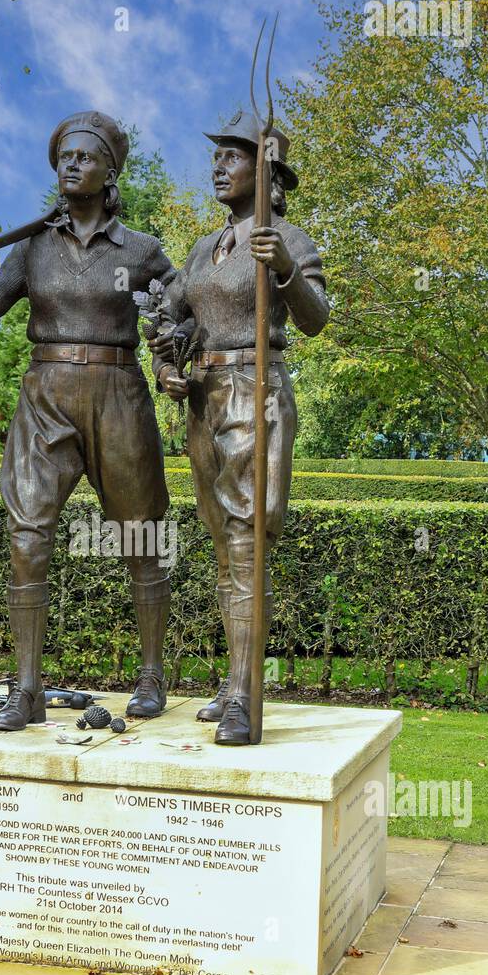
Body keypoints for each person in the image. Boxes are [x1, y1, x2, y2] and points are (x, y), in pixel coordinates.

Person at [0, 112, 176, 731]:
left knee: (141, 538)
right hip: (46, 396)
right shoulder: (32, 248)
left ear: (110, 170)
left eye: (84, 156)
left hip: (118, 394)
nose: (71, 164)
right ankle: (28, 690)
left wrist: (173, 333)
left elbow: (182, 311)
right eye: (63, 156)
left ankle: (150, 677)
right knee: (27, 538)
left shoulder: (142, 251)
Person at [148, 111, 329, 745]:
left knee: (249, 546)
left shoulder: (288, 238)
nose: (219, 166)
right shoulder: (203, 248)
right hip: (205, 400)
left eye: (233, 155)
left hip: (257, 393)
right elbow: (172, 324)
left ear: (265, 169)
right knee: (225, 550)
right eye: (216, 156)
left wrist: (282, 266)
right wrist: (168, 367)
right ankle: (235, 680)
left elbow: (314, 320)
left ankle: (246, 701)